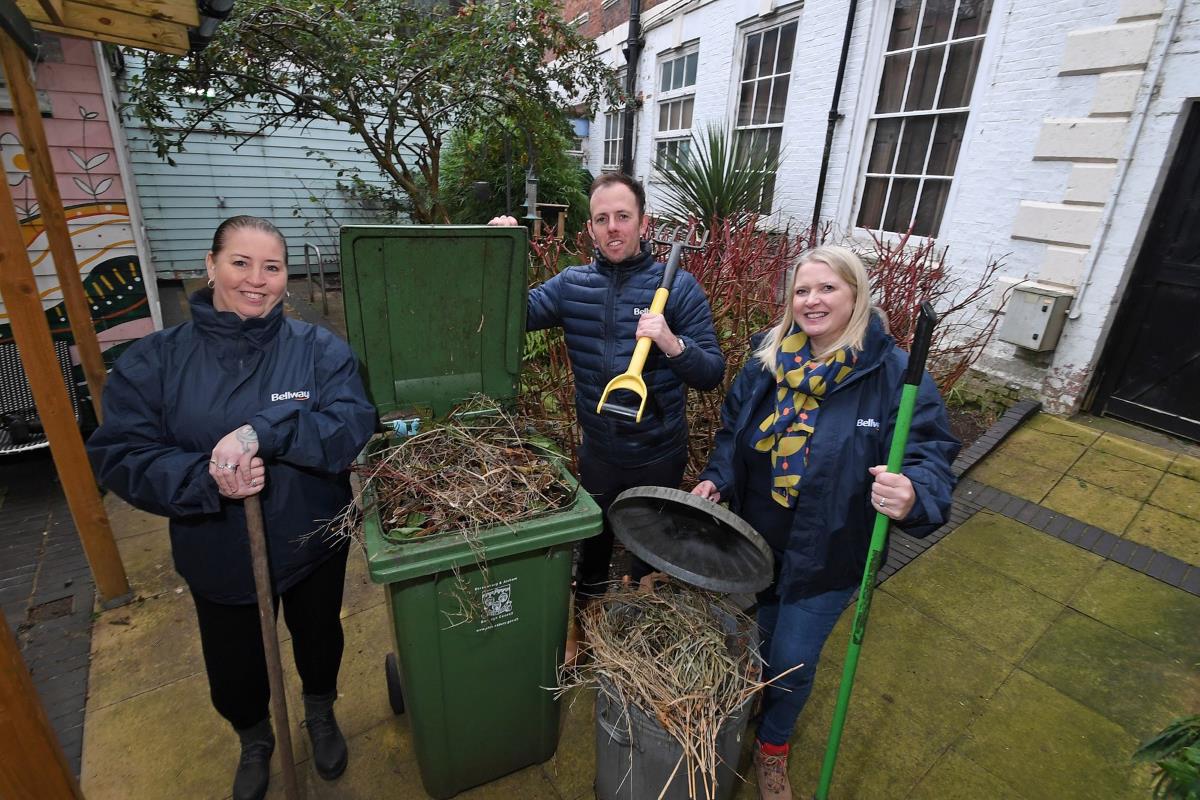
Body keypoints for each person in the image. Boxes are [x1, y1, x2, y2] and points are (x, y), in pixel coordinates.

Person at [87, 216, 376, 800]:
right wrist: (205, 477)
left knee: (320, 639)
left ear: (286, 278)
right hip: (217, 548)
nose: (256, 279)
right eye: (241, 263)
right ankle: (254, 738)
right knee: (236, 666)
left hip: (312, 538)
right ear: (210, 265)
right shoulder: (156, 362)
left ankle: (320, 711)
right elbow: (120, 454)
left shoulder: (319, 351)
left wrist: (265, 432)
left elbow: (350, 426)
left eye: (271, 267)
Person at [691, 246, 958, 800]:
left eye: (827, 288)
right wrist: (719, 478)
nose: (812, 301)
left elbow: (929, 453)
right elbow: (732, 433)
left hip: (831, 553)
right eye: (802, 290)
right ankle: (752, 710)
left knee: (790, 661)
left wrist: (915, 494)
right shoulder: (766, 362)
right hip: (756, 544)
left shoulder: (893, 377)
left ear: (856, 296)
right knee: (760, 643)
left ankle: (773, 746)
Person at [490, 173, 725, 657]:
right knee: (592, 548)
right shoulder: (571, 285)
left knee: (649, 549)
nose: (613, 227)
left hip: (659, 451)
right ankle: (584, 632)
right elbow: (510, 313)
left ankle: (640, 639)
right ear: (590, 229)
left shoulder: (677, 289)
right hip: (599, 452)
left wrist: (671, 343)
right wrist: (501, 250)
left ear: (642, 222)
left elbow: (711, 372)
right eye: (603, 219)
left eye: (623, 216)